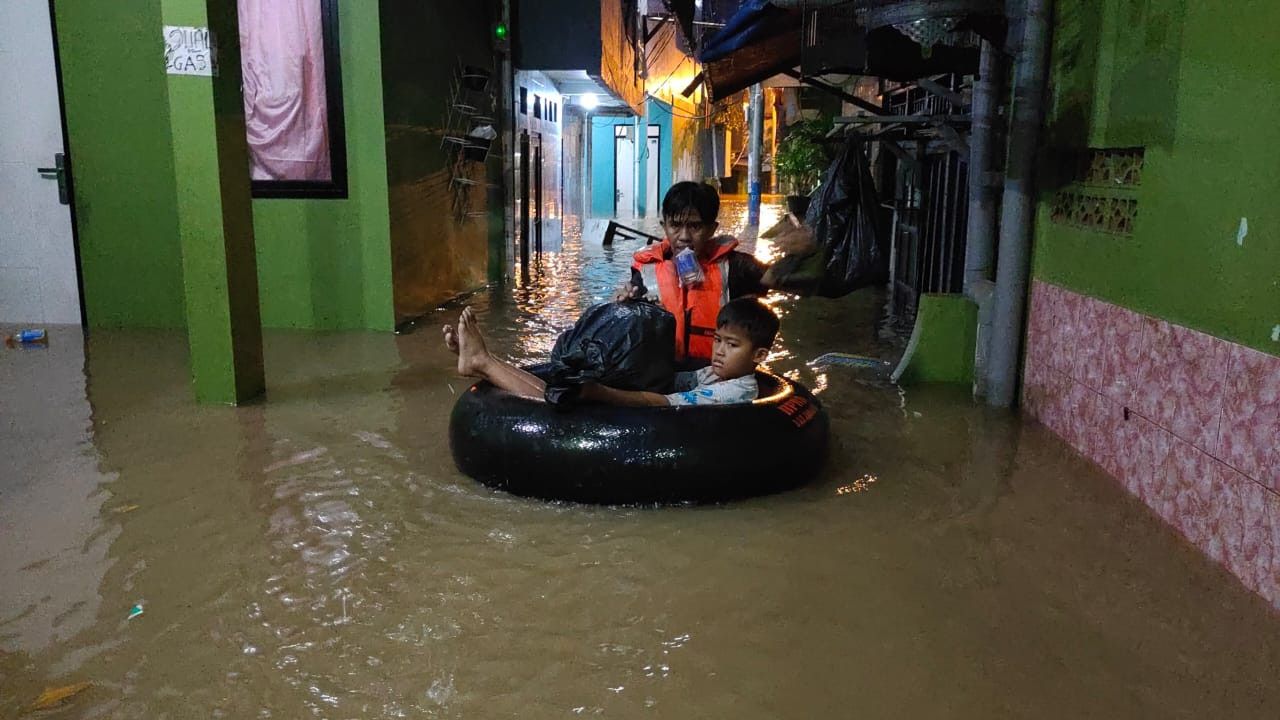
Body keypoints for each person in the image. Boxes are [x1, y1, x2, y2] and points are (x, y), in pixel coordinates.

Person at [442, 298, 779, 407]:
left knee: (562, 403)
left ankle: (482, 361)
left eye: (731, 346)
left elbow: (660, 402)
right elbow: (672, 380)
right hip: (665, 401)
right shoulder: (716, 372)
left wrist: (600, 391)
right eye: (718, 340)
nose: (718, 351)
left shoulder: (736, 390)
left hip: (666, 424)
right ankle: (481, 359)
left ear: (759, 355)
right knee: (565, 386)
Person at [612, 181, 768, 364]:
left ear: (712, 229)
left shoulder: (735, 266)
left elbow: (779, 280)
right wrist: (623, 305)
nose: (684, 236)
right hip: (664, 372)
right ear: (664, 226)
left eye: (695, 227)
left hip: (715, 375)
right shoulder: (646, 270)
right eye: (675, 225)